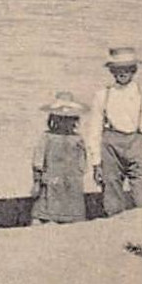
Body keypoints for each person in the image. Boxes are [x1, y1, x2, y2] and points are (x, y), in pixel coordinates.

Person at [88, 46, 142, 215]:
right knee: (111, 194)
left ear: (133, 70)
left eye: (126, 69)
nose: (122, 73)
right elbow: (94, 131)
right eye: (117, 69)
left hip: (138, 143)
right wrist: (96, 163)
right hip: (110, 146)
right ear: (112, 71)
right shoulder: (103, 95)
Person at [31, 92, 89, 224]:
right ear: (53, 119)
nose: (64, 122)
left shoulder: (77, 139)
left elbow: (82, 161)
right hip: (51, 178)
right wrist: (37, 180)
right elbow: (38, 160)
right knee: (46, 205)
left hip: (71, 181)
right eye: (60, 119)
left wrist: (79, 173)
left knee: (73, 206)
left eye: (69, 119)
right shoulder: (47, 137)